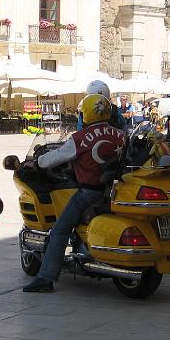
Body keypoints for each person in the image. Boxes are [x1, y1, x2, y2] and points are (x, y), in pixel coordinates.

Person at [24, 94, 126, 293]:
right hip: (114, 192)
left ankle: (45, 278)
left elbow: (56, 157)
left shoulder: (80, 138)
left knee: (60, 230)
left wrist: (37, 162)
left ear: (86, 113)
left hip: (89, 193)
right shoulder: (120, 134)